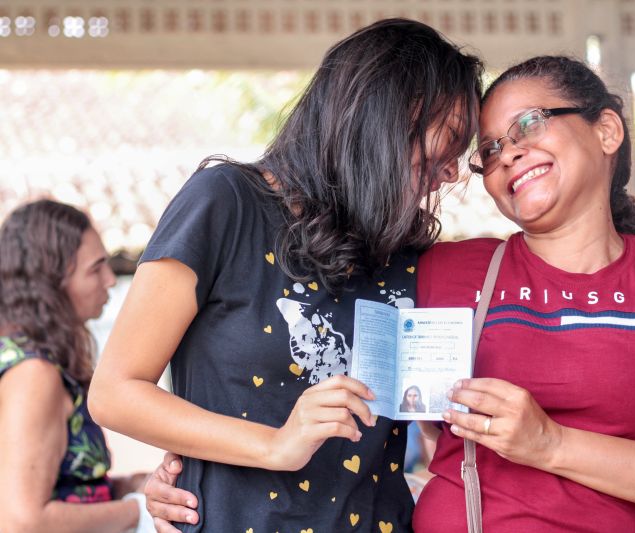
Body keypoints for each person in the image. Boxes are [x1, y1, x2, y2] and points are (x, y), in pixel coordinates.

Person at [142, 55, 635, 532]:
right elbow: (304, 375)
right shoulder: (437, 270)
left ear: (606, 130)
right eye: (487, 151)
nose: (508, 151)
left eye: (529, 123)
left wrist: (550, 445)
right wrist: (191, 470)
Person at [88, 19, 482, 533]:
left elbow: (421, 438)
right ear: (383, 119)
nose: (452, 170)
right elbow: (115, 392)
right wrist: (274, 445)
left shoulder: (404, 250)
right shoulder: (226, 203)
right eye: (447, 140)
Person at [0, 200, 154, 533]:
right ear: (52, 280)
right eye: (96, 268)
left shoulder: (37, 361)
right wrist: (136, 511)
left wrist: (126, 485)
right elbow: (22, 522)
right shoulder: (33, 374)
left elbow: (62, 488)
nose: (111, 280)